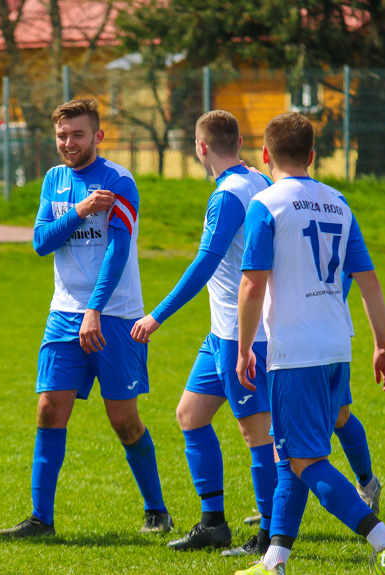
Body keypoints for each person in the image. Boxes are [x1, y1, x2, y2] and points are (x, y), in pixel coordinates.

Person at [234, 112, 385, 575]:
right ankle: (275, 558)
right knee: (288, 453)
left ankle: (382, 537)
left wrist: (244, 347)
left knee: (306, 459)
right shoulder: (338, 202)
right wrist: (382, 344)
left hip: (294, 350)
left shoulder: (266, 204)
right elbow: (367, 279)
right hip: (337, 343)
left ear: (266, 155)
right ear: (313, 156)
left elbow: (253, 284)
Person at [0, 98, 171, 537]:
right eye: (62, 135)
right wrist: (79, 211)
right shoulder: (55, 180)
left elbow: (118, 250)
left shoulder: (119, 180)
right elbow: (40, 242)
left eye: (78, 134)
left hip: (114, 315)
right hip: (63, 315)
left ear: (98, 136)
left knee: (124, 421)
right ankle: (41, 519)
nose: (69, 143)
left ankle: (157, 510)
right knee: (48, 410)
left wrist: (94, 308)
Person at [131, 110, 274, 553]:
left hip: (242, 335)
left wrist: (157, 315)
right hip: (221, 333)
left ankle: (269, 535)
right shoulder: (260, 182)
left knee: (257, 434)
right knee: (190, 416)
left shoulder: (228, 195)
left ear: (200, 147)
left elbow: (205, 263)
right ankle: (213, 523)